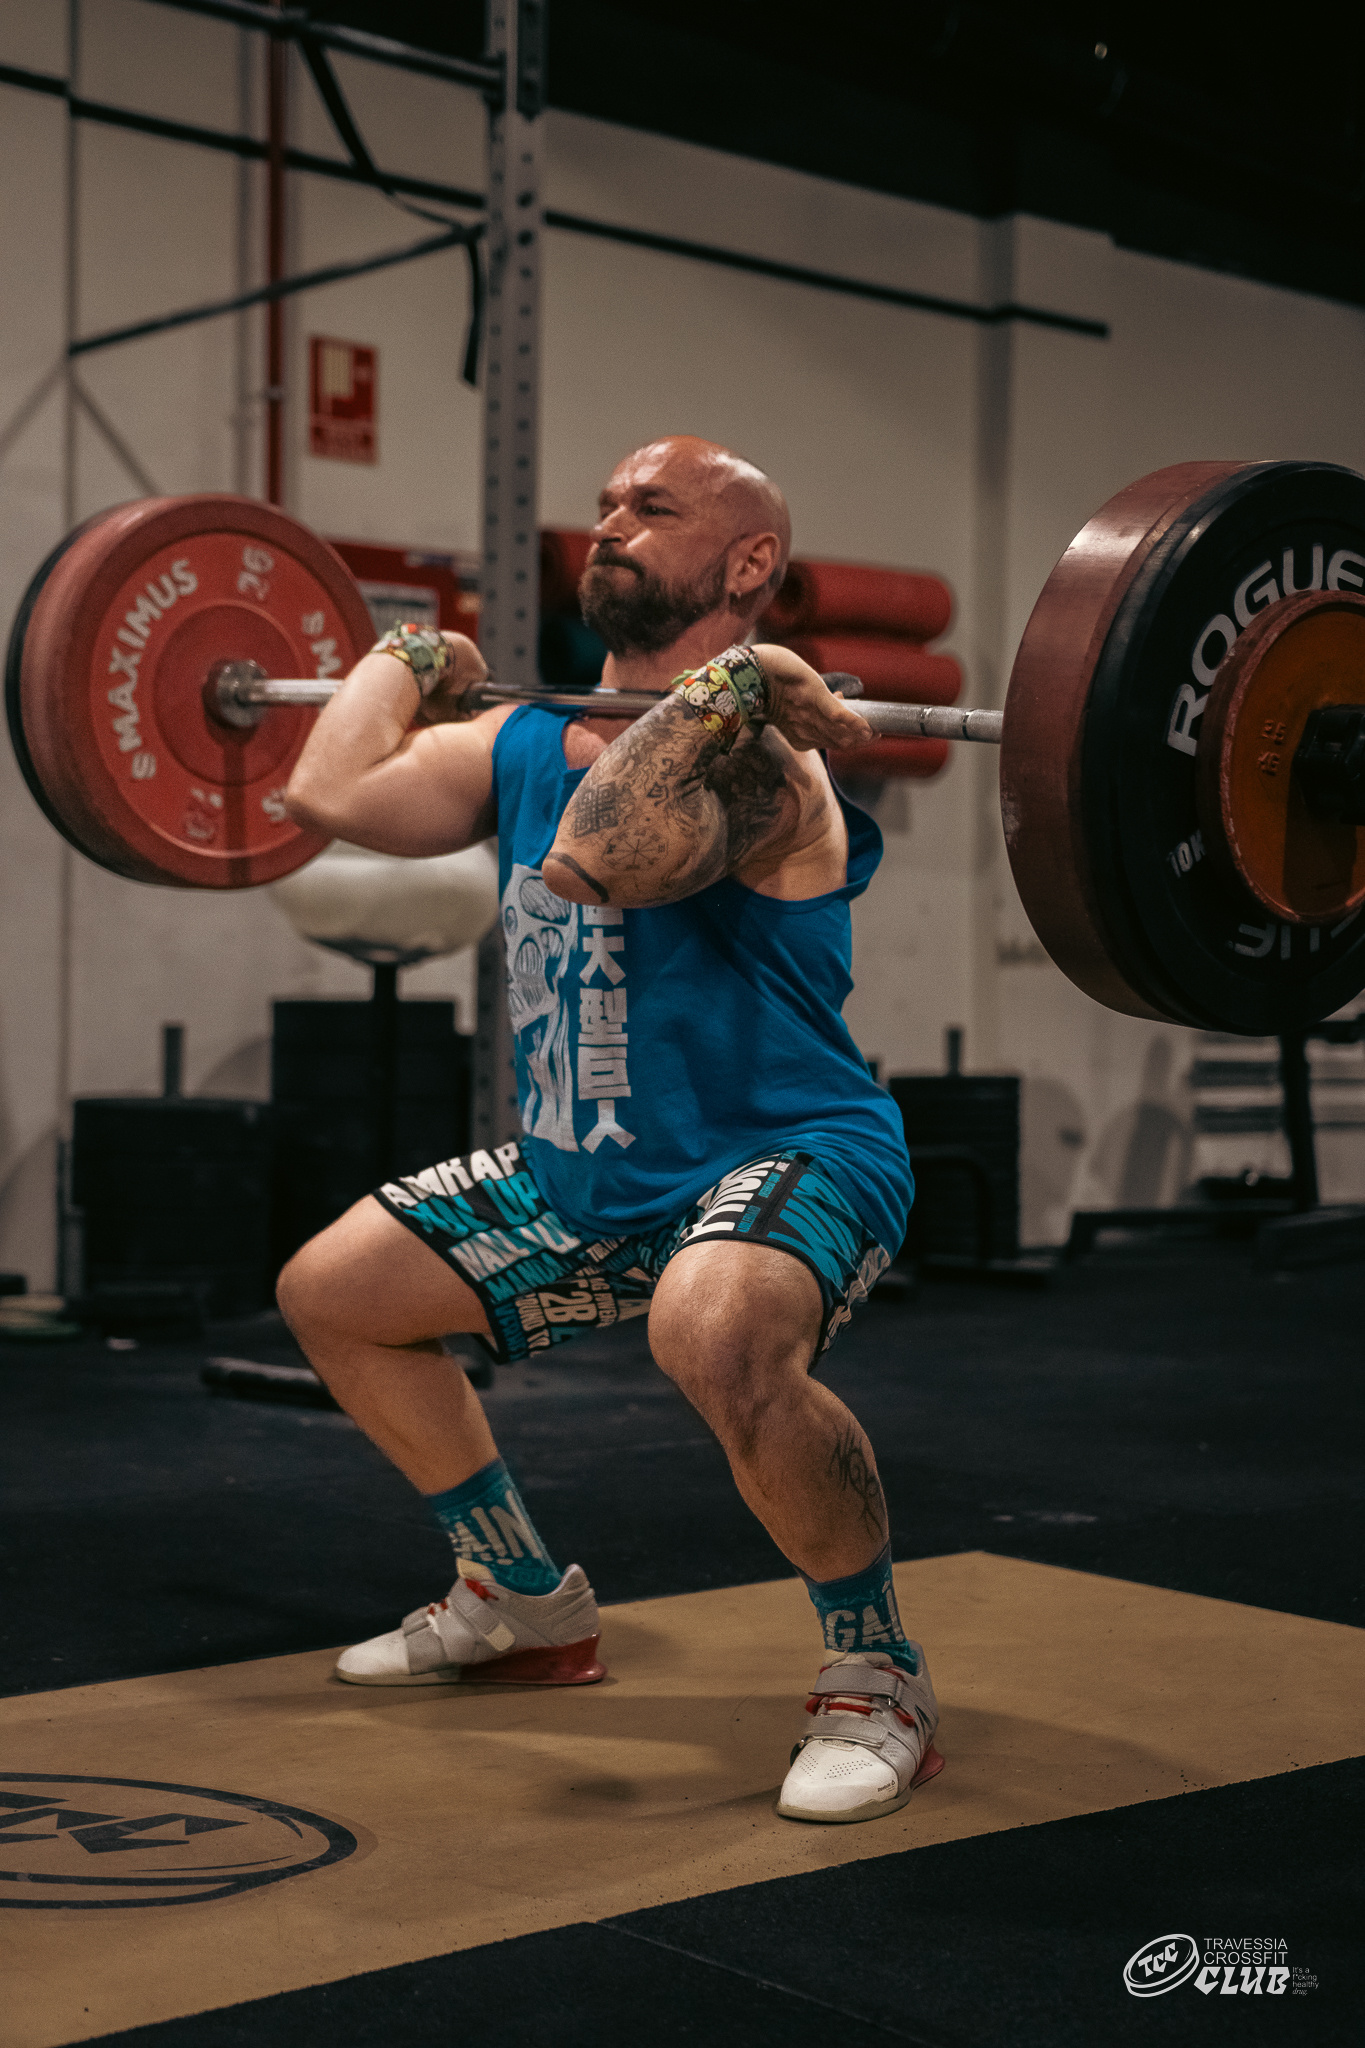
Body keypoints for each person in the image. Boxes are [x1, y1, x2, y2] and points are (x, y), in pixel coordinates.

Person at [277, 434, 943, 1825]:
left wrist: (735, 688)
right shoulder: (521, 738)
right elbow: (324, 794)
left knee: (712, 1331)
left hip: (787, 1151)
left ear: (749, 563)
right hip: (586, 1169)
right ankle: (520, 1598)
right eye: (603, 506)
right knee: (333, 1294)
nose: (610, 526)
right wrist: (411, 655)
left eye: (652, 506)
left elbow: (601, 854)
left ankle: (875, 1671)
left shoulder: (769, 763)